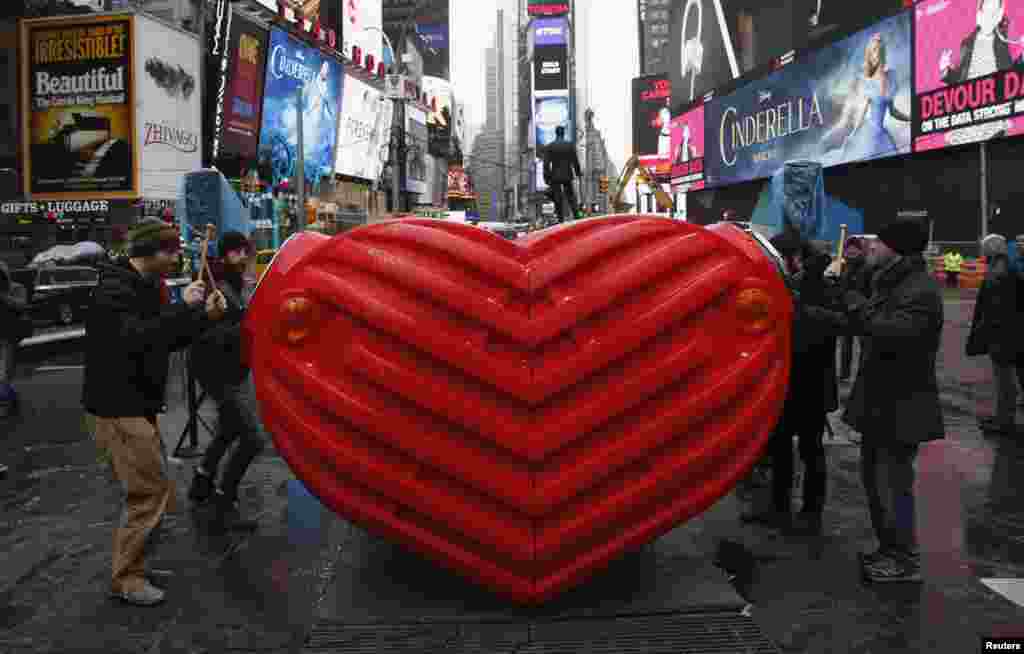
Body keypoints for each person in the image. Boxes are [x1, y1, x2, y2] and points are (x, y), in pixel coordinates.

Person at [84, 218, 228, 607]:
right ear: (150, 252)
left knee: (153, 488)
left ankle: (135, 565)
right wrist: (186, 308)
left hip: (137, 404)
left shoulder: (144, 287)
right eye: (171, 250)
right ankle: (127, 577)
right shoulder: (114, 290)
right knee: (148, 492)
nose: (178, 257)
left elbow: (166, 339)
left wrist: (202, 316)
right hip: (118, 407)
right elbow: (140, 340)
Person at [842, 214, 944, 583]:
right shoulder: (890, 282)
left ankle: (904, 559)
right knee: (875, 481)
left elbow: (894, 333)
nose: (872, 247)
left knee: (892, 484)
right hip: (881, 400)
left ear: (896, 250)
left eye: (878, 243)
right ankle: (890, 550)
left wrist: (856, 304)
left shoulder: (919, 289)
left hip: (901, 404)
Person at [741, 232, 842, 535]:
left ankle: (810, 512)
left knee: (809, 449)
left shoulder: (814, 285)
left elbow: (830, 325)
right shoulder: (794, 283)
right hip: (791, 378)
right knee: (782, 445)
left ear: (794, 257)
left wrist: (795, 312)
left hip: (808, 378)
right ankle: (780, 507)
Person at [188, 231, 264, 531]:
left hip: (230, 369)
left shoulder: (233, 283)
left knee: (229, 428)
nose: (243, 258)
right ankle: (225, 498)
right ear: (225, 254)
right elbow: (204, 332)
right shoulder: (214, 285)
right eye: (237, 252)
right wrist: (242, 329)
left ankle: (202, 481)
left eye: (245, 252)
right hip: (219, 372)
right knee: (252, 439)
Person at [822, 33, 910, 162]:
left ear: (882, 52)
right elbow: (863, 110)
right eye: (872, 51)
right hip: (868, 133)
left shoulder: (892, 77)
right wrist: (854, 133)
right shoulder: (868, 81)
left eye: (877, 50)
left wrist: (910, 118)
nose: (875, 55)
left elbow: (893, 111)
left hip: (881, 135)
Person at [969, 234, 1022, 435]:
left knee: (1004, 380)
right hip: (1008, 333)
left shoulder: (998, 272)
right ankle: (1002, 417)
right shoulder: (1006, 268)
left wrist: (987, 333)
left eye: (983, 248)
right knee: (1005, 379)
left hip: (1003, 335)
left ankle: (1005, 421)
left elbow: (997, 310)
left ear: (990, 250)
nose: (981, 252)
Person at [939, 0, 1021, 85]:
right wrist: (945, 69)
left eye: (994, 13)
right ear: (979, 14)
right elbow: (959, 78)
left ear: (999, 15)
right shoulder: (966, 43)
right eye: (986, 11)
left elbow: (1013, 73)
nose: (990, 17)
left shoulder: (1006, 41)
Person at [0, 261, 32, 419]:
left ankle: (8, 403)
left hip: (9, 336)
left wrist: (4, 297)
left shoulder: (17, 288)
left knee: (5, 374)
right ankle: (9, 399)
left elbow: (23, 305)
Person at [838, 237, 869, 381]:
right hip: (847, 313)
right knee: (845, 346)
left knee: (865, 346)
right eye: (848, 248)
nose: (850, 251)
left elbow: (872, 289)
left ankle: (864, 375)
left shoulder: (867, 267)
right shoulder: (842, 266)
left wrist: (861, 302)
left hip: (863, 313)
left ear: (859, 250)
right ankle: (844, 375)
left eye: (853, 248)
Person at [543, 125, 582, 223]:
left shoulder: (550, 146)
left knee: (557, 197)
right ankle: (576, 216)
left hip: (555, 176)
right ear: (563, 133)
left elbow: (546, 164)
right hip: (567, 175)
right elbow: (575, 161)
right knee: (571, 196)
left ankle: (561, 219)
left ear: (556, 133)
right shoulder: (569, 145)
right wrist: (578, 173)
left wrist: (546, 178)